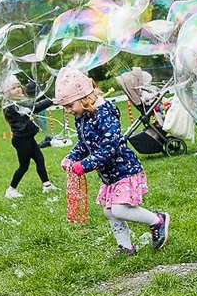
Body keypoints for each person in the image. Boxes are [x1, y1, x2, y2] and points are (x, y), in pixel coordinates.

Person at [55, 67, 169, 256]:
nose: (67, 111)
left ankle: (157, 220)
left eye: (69, 105)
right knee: (110, 211)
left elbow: (110, 145)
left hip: (125, 170)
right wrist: (72, 157)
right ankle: (125, 247)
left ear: (84, 97)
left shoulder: (104, 112)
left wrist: (85, 165)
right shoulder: (82, 116)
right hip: (110, 175)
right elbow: (84, 143)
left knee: (119, 209)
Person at [1, 76, 57, 199]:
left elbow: (30, 109)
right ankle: (11, 190)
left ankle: (47, 185)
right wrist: (51, 101)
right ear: (8, 93)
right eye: (13, 88)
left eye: (18, 86)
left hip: (28, 138)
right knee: (23, 166)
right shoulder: (11, 106)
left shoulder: (19, 102)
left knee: (39, 159)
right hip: (21, 140)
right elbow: (34, 107)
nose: (18, 89)